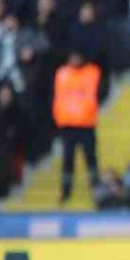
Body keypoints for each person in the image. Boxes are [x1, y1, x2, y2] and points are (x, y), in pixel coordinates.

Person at [52, 51, 104, 204]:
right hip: (68, 124)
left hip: (86, 123)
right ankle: (66, 190)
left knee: (91, 158)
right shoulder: (62, 73)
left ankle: (96, 189)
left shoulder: (91, 72)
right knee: (68, 159)